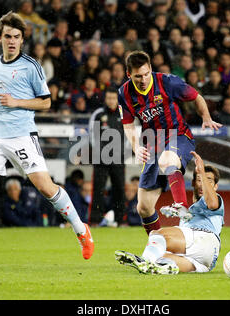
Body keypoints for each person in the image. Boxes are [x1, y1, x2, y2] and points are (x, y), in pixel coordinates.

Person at [0, 12, 94, 263]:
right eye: (8, 36)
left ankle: (80, 229)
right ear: (0, 38)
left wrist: (17, 102)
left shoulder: (32, 66)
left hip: (22, 135)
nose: (12, 41)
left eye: (17, 37)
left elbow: (46, 102)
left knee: (46, 188)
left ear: (22, 40)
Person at [118, 51, 221, 236]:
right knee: (144, 208)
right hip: (152, 145)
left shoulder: (167, 82)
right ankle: (157, 248)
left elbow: (196, 96)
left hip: (179, 135)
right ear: (128, 74)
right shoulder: (124, 93)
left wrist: (206, 116)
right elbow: (127, 124)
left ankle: (182, 206)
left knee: (167, 160)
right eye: (137, 76)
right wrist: (136, 147)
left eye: (146, 74)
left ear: (150, 69)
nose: (143, 80)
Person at [115, 151, 223, 274]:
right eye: (199, 180)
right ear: (193, 183)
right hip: (206, 260)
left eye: (209, 181)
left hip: (205, 239)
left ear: (215, 187)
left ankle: (144, 260)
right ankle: (164, 268)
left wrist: (202, 173)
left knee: (158, 234)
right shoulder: (189, 211)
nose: (203, 184)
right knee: (160, 256)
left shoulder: (217, 201)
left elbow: (212, 203)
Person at [89, 87, 125, 226]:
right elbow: (91, 134)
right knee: (98, 189)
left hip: (118, 158)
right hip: (100, 158)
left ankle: (120, 220)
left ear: (118, 99)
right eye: (109, 98)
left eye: (113, 98)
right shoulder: (98, 114)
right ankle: (95, 220)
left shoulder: (123, 114)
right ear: (105, 98)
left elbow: (130, 134)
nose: (111, 101)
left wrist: (123, 151)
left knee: (119, 189)